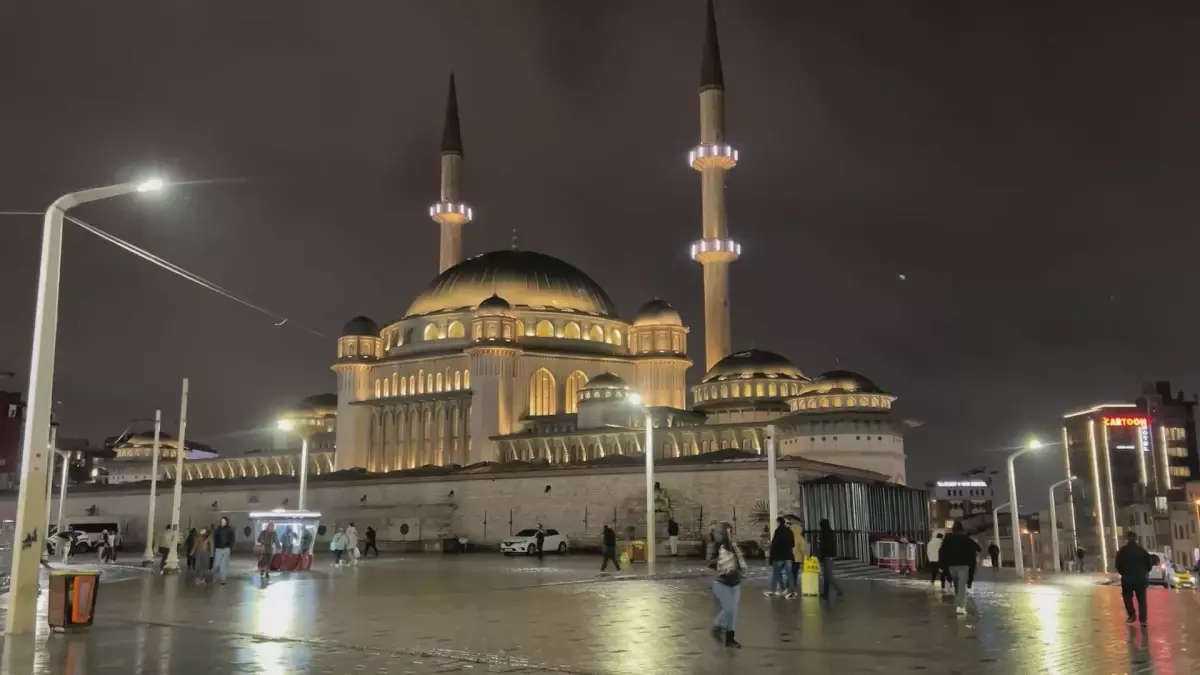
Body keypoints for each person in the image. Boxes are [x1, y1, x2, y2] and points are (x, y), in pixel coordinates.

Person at [709, 521, 744, 648]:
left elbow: (740, 560)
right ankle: (717, 627)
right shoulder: (716, 546)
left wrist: (740, 568)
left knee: (733, 611)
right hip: (721, 582)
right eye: (726, 532)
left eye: (730, 531)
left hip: (735, 581)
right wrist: (721, 561)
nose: (728, 534)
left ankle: (730, 639)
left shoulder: (733, 545)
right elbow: (710, 562)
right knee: (729, 608)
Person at [939, 521, 981, 616]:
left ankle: (958, 604)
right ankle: (960, 606)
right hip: (963, 565)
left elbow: (942, 551)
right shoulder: (966, 539)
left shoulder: (948, 539)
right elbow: (978, 548)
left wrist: (942, 565)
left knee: (956, 585)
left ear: (953, 529)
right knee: (962, 586)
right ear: (962, 529)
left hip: (951, 566)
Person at [1115, 531, 1152, 626]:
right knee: (1142, 600)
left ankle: (1132, 615)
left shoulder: (1122, 551)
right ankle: (1143, 620)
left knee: (1127, 597)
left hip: (1127, 579)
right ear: (1136, 539)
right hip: (1141, 579)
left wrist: (1123, 573)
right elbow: (1149, 565)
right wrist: (1144, 572)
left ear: (1127, 539)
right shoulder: (1142, 551)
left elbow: (1118, 565)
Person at [766, 516, 797, 599]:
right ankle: (792, 591)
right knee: (789, 574)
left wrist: (772, 556)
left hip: (779, 556)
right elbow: (793, 544)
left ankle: (773, 590)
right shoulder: (789, 531)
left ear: (778, 522)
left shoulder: (778, 531)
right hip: (788, 556)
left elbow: (774, 544)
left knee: (776, 574)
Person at [816, 518, 843, 599]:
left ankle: (838, 590)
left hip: (826, 556)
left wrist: (820, 555)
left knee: (828, 576)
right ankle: (826, 593)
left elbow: (822, 546)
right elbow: (832, 545)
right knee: (827, 576)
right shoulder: (831, 532)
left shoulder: (823, 533)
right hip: (829, 556)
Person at [212, 517, 235, 585]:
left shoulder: (230, 529)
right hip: (218, 549)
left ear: (227, 522)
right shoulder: (217, 529)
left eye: (224, 521)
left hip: (226, 548)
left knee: (224, 564)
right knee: (216, 564)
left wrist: (230, 546)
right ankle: (215, 575)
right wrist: (215, 546)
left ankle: (223, 579)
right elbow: (214, 538)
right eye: (221, 521)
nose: (222, 522)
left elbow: (232, 539)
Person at [787, 516, 808, 590]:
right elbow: (803, 549)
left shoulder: (788, 537)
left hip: (788, 558)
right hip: (797, 558)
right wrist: (805, 558)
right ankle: (792, 587)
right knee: (794, 573)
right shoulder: (800, 538)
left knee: (789, 572)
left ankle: (788, 586)